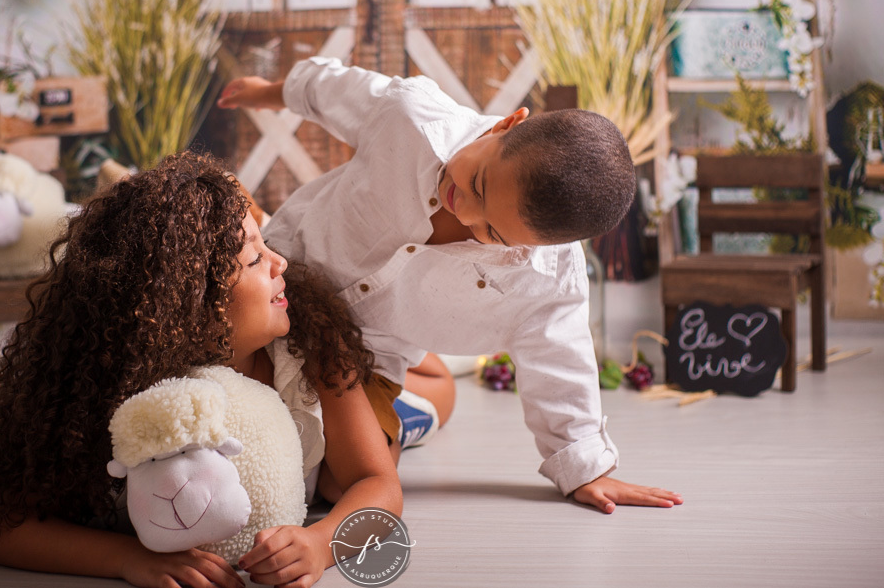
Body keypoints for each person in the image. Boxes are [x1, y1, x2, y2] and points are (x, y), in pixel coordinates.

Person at [217, 57, 684, 514]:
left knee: (339, 486)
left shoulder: (548, 282)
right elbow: (332, 89)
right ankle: (430, 378)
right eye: (478, 185)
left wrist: (586, 468)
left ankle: (414, 409)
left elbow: (560, 364)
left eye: (492, 234)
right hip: (283, 268)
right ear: (506, 124)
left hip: (367, 352)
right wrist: (269, 91)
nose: (467, 213)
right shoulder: (410, 117)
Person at [0, 151, 401, 588]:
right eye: (253, 259)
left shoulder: (314, 344)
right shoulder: (113, 388)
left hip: (365, 407)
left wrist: (322, 542)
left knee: (405, 418)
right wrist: (126, 558)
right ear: (191, 305)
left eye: (266, 244)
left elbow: (378, 483)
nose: (279, 262)